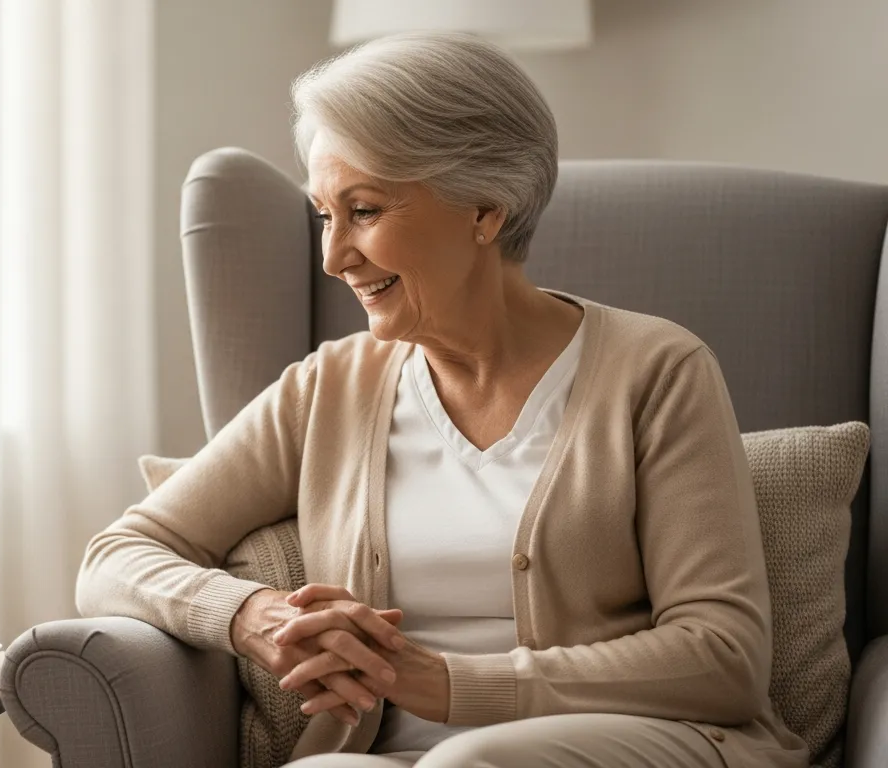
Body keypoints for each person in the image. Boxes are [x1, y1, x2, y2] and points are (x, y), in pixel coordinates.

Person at [75, 31, 807, 768]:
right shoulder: (330, 387)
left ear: (485, 210)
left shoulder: (656, 372)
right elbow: (114, 556)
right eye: (324, 215)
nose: (332, 257)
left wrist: (450, 683)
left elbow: (723, 658)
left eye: (363, 211)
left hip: (637, 741)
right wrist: (247, 614)